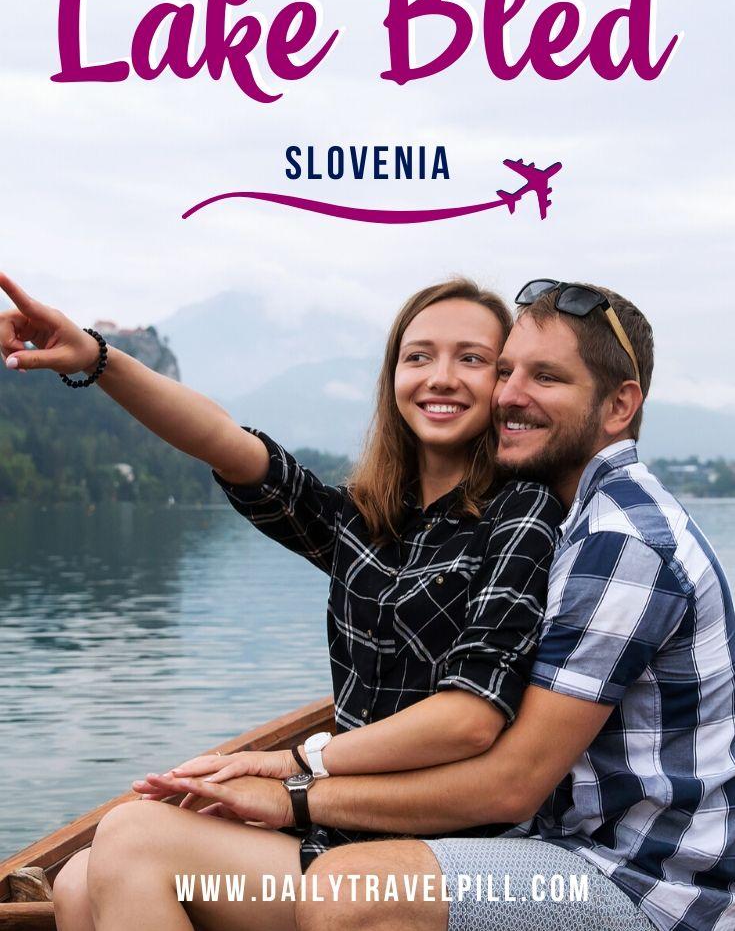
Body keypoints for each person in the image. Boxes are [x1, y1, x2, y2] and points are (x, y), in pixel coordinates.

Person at [134, 280, 734, 931]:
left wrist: (296, 782)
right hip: (558, 848)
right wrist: (97, 360)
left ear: (619, 405)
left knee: (348, 889)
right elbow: (234, 448)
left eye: (544, 377)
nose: (508, 395)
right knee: (93, 873)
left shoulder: (618, 542)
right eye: (506, 372)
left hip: (637, 887)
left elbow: (508, 777)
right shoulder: (577, 520)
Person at [0, 272, 562, 931]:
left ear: (503, 384)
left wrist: (294, 765)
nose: (441, 377)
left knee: (131, 838)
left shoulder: (520, 512)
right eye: (418, 357)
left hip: (441, 853)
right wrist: (97, 358)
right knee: (77, 878)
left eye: (471, 359)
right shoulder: (362, 520)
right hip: (335, 832)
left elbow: (469, 720)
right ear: (392, 378)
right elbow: (223, 440)